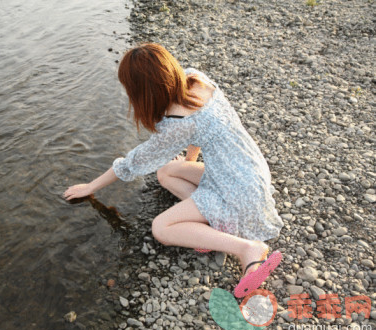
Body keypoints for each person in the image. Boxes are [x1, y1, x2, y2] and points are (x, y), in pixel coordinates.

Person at [63, 43, 284, 297]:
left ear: (142, 91)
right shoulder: (196, 79)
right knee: (166, 171)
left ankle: (247, 249)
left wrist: (90, 187)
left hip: (236, 187)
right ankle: (216, 219)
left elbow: (132, 163)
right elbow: (199, 131)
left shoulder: (177, 123)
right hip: (248, 170)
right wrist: (188, 162)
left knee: (161, 228)